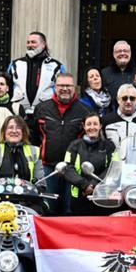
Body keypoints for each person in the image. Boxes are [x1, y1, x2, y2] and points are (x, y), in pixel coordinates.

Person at [31, 72, 89, 214]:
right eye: (61, 85)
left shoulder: (84, 111)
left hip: (73, 170)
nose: (65, 89)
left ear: (74, 87)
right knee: (48, 209)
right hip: (48, 168)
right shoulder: (42, 108)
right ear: (55, 87)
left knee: (70, 210)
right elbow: (33, 136)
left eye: (68, 85)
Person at [63, 113, 117, 216]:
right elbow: (67, 168)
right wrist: (84, 185)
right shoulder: (75, 145)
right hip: (79, 196)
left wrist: (94, 185)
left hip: (103, 196)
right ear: (84, 126)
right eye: (89, 124)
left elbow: (114, 168)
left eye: (95, 124)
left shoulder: (109, 146)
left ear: (100, 126)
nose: (92, 127)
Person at [7, 31, 64, 119]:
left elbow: (62, 90)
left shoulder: (56, 66)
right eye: (28, 42)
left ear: (43, 44)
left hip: (46, 113)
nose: (30, 45)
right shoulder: (15, 64)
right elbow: (7, 87)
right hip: (18, 113)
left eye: (33, 42)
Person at [0, 115, 43, 185]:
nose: (14, 131)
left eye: (18, 128)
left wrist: (39, 187)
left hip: (27, 195)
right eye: (10, 127)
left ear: (23, 132)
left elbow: (40, 182)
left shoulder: (35, 151)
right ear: (4, 131)